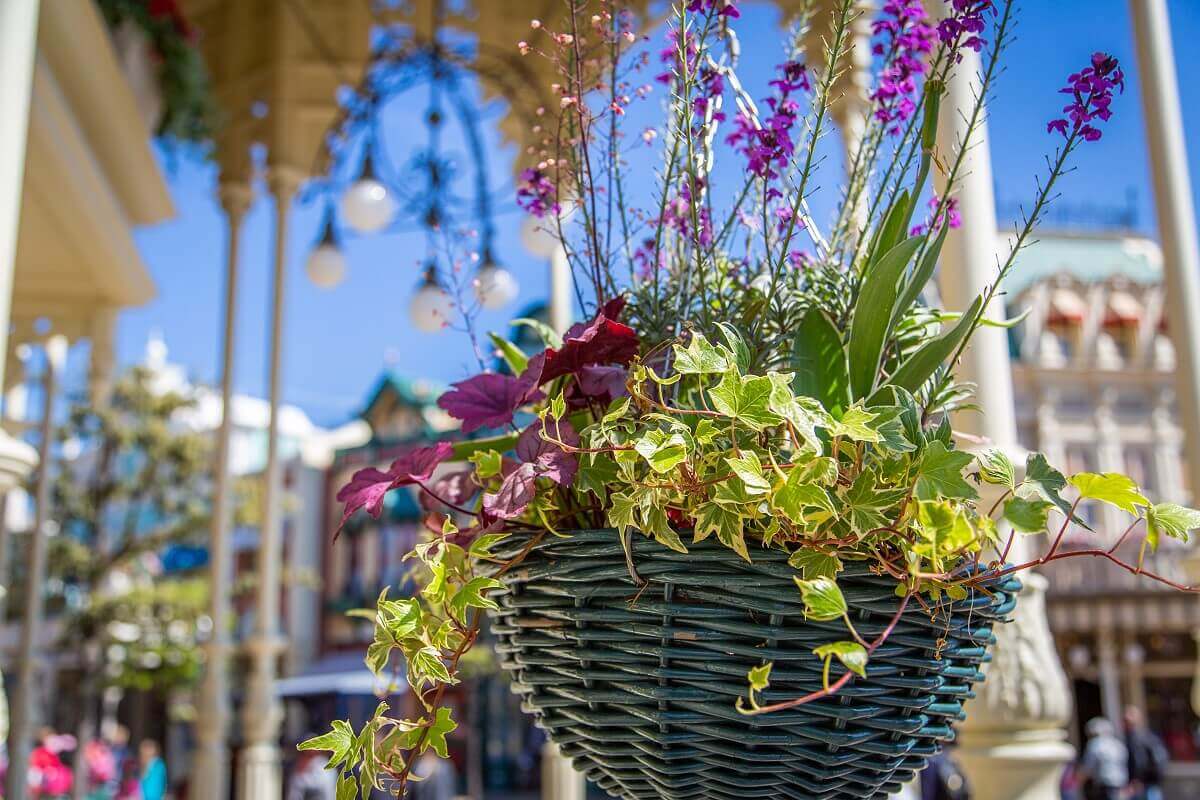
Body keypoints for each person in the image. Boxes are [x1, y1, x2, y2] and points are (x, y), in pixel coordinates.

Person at [1124, 706, 1169, 800]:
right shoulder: (1151, 736)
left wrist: (1138, 780)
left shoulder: (1137, 738)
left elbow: (1140, 761)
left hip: (1143, 784)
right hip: (1152, 783)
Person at [1079, 717, 1128, 800]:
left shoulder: (1095, 744)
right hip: (1121, 784)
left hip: (1105, 785)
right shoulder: (1117, 744)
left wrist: (1078, 781)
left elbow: (1088, 767)